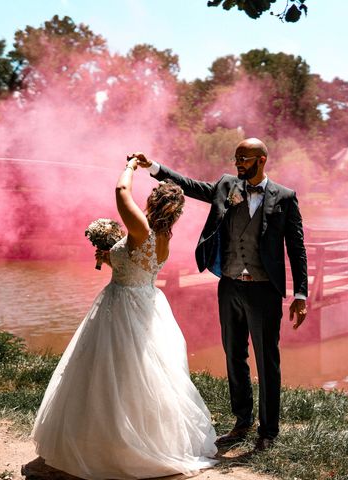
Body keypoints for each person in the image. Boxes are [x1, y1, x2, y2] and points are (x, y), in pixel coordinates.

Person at [28, 156, 217, 479]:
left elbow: (119, 190)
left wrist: (130, 167)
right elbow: (135, 267)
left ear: (151, 203)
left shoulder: (140, 229)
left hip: (122, 306)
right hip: (147, 304)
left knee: (108, 373)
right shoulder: (163, 239)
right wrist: (112, 257)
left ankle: (107, 447)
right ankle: (140, 439)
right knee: (140, 374)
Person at [133, 137, 308, 451]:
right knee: (234, 355)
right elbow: (188, 185)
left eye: (244, 157)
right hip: (228, 286)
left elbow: (297, 249)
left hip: (264, 291)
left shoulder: (285, 198)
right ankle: (242, 422)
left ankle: (268, 432)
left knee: (267, 361)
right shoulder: (227, 186)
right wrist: (154, 167)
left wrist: (301, 294)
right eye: (236, 156)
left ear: (262, 159)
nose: (238, 162)